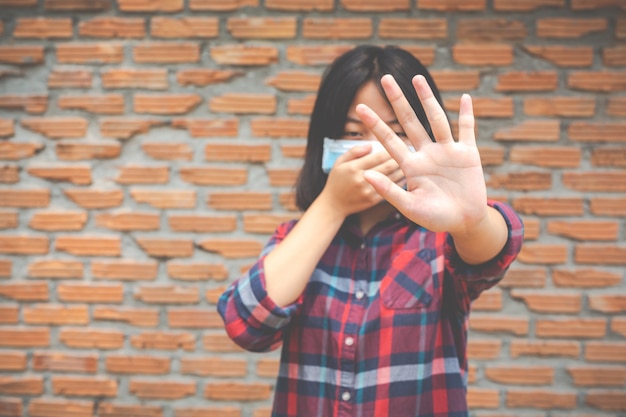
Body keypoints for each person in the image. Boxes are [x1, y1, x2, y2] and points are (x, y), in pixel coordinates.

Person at [218, 45, 523, 417]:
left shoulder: (439, 242)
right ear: (326, 142)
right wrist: (332, 204)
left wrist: (471, 220)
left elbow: (492, 252)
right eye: (353, 133)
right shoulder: (297, 238)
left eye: (394, 133)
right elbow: (245, 324)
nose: (374, 149)